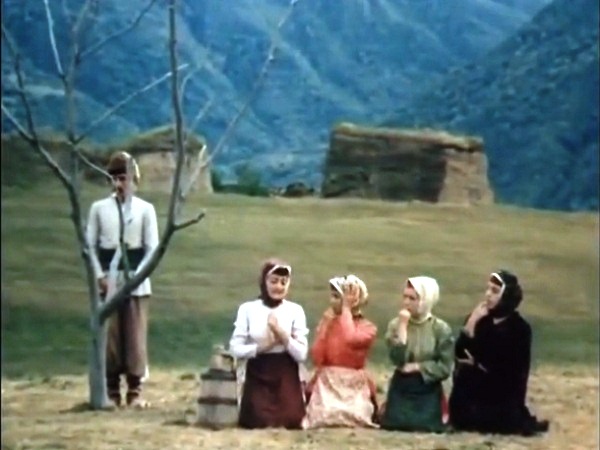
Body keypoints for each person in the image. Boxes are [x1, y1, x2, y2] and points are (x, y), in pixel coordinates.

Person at [86, 151, 159, 409]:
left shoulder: (145, 209)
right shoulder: (99, 209)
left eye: (124, 178)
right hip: (109, 280)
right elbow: (90, 246)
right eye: (115, 178)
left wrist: (137, 276)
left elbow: (152, 247)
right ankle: (112, 391)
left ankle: (135, 390)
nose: (120, 184)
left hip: (136, 281)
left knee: (135, 336)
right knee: (111, 338)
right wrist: (100, 276)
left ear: (134, 179)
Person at [449, 270, 549, 436]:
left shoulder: (519, 329)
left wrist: (477, 364)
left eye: (495, 291)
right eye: (488, 289)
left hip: (502, 397)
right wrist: (471, 323)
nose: (488, 295)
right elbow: (460, 354)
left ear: (506, 296)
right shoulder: (480, 320)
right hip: (473, 395)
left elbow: (509, 371)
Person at [229, 259, 308, 429]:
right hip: (258, 370)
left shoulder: (295, 310)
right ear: (264, 282)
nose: (278, 287)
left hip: (285, 370)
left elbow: (302, 354)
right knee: (257, 418)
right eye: (273, 281)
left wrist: (283, 336)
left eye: (283, 282)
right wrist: (262, 347)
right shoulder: (248, 309)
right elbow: (235, 348)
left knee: (291, 418)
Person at [302, 275, 379, 429]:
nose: (333, 302)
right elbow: (317, 357)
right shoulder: (329, 324)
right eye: (334, 297)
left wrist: (346, 310)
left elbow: (351, 339)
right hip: (328, 381)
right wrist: (324, 326)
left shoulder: (368, 328)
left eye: (339, 298)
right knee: (324, 414)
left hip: (353, 384)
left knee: (356, 415)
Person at [381, 276, 453, 433]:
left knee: (424, 425)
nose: (406, 302)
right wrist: (402, 328)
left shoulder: (440, 329)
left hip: (427, 388)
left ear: (426, 300)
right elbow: (397, 360)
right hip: (402, 386)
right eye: (405, 297)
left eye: (412, 298)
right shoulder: (395, 324)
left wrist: (419, 367)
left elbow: (445, 368)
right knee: (396, 424)